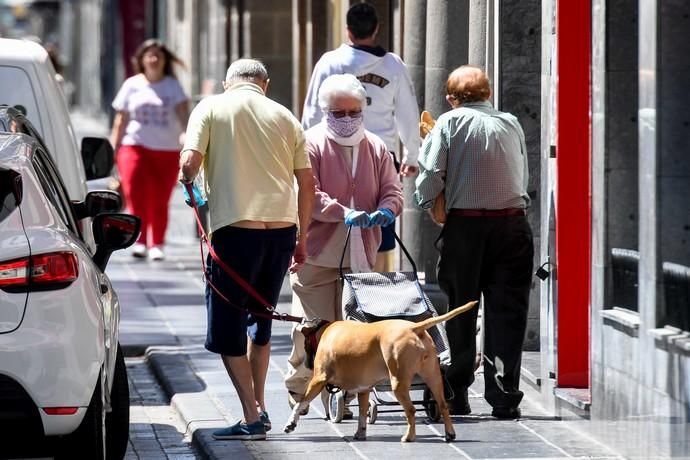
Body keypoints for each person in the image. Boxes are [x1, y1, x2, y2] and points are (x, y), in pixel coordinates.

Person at [178, 58, 314, 441]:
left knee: (227, 328)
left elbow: (190, 162)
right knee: (262, 320)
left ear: (227, 83)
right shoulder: (285, 116)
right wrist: (302, 237)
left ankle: (252, 415)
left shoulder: (210, 107)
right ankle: (260, 409)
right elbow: (307, 182)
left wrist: (186, 174)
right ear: (264, 85)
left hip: (236, 231)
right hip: (281, 231)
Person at [414, 65, 533, 419]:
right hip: (513, 225)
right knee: (507, 313)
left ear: (451, 99)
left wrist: (427, 203)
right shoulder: (511, 122)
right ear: (489, 94)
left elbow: (431, 173)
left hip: (466, 227)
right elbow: (522, 173)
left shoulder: (449, 124)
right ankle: (504, 396)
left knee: (459, 310)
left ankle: (454, 392)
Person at [284, 73, 403, 416]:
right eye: (339, 113)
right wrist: (342, 212)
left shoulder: (376, 146)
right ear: (325, 112)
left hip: (361, 253)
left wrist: (385, 210)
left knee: (352, 333)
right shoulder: (310, 143)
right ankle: (301, 388)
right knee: (312, 327)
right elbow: (308, 192)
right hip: (317, 251)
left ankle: (345, 395)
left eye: (354, 112)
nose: (348, 119)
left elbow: (392, 190)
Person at [301, 2, 419, 272]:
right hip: (382, 154)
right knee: (378, 231)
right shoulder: (393, 65)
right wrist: (412, 154)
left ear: (347, 30)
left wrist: (308, 150)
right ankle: (371, 286)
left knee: (330, 218)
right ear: (376, 29)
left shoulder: (330, 62)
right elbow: (408, 112)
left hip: (332, 152)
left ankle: (334, 275)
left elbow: (311, 112)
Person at [110, 39, 189, 261]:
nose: (154, 60)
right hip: (134, 145)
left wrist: (187, 136)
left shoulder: (172, 86)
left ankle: (158, 243)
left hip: (167, 149)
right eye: (150, 56)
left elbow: (183, 113)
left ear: (165, 61)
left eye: (158, 56)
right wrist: (113, 147)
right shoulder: (131, 84)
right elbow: (121, 119)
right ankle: (141, 241)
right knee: (135, 193)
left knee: (160, 198)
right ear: (142, 60)